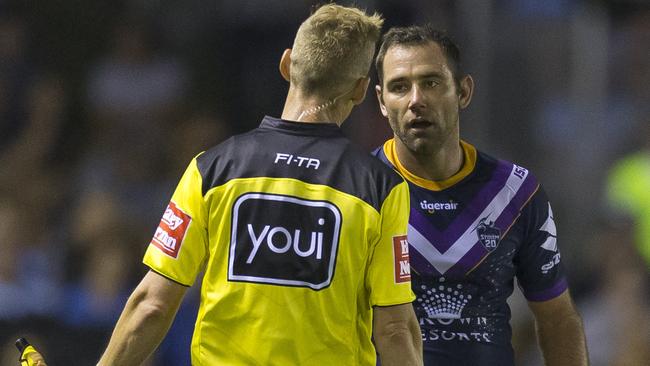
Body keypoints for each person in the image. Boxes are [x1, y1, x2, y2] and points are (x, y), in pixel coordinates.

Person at [97, 5, 422, 366]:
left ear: (286, 65)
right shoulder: (381, 188)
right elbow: (394, 331)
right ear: (362, 90)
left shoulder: (213, 169)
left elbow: (152, 305)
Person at [372, 24, 588, 365]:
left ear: (463, 91)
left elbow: (557, 318)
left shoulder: (516, 193)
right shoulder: (357, 190)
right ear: (382, 102)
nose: (416, 100)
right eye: (400, 87)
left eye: (431, 82)